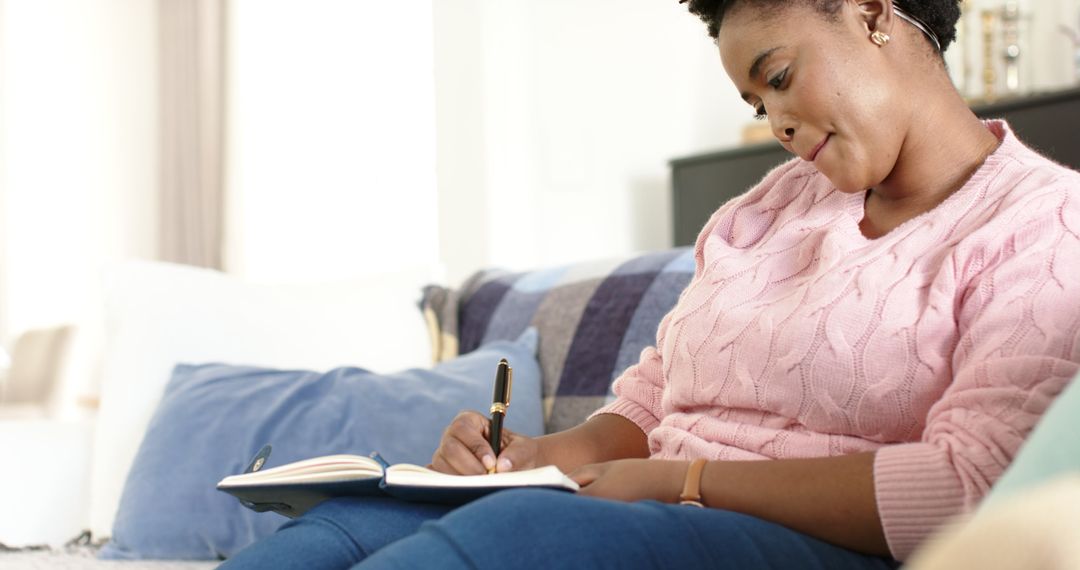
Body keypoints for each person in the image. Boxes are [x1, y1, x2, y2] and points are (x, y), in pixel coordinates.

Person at [221, 1, 1080, 568]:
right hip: (641, 512)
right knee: (353, 524)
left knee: (509, 537)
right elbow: (647, 404)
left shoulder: (1042, 225)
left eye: (780, 77)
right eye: (756, 102)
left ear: (872, 14)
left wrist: (683, 482)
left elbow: (965, 490)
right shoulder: (768, 208)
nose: (777, 124)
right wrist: (531, 458)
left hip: (805, 545)